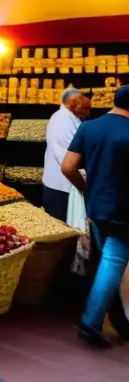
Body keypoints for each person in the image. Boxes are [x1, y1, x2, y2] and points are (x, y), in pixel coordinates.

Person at [61, 84, 129, 349]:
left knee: (106, 262)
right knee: (113, 261)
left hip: (96, 206)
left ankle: (121, 322)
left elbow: (68, 166)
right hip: (123, 209)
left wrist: (85, 187)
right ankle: (90, 322)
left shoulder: (88, 127)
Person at [43, 88, 83, 221]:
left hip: (63, 184)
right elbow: (67, 158)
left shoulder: (71, 117)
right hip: (60, 187)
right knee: (61, 229)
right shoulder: (63, 120)